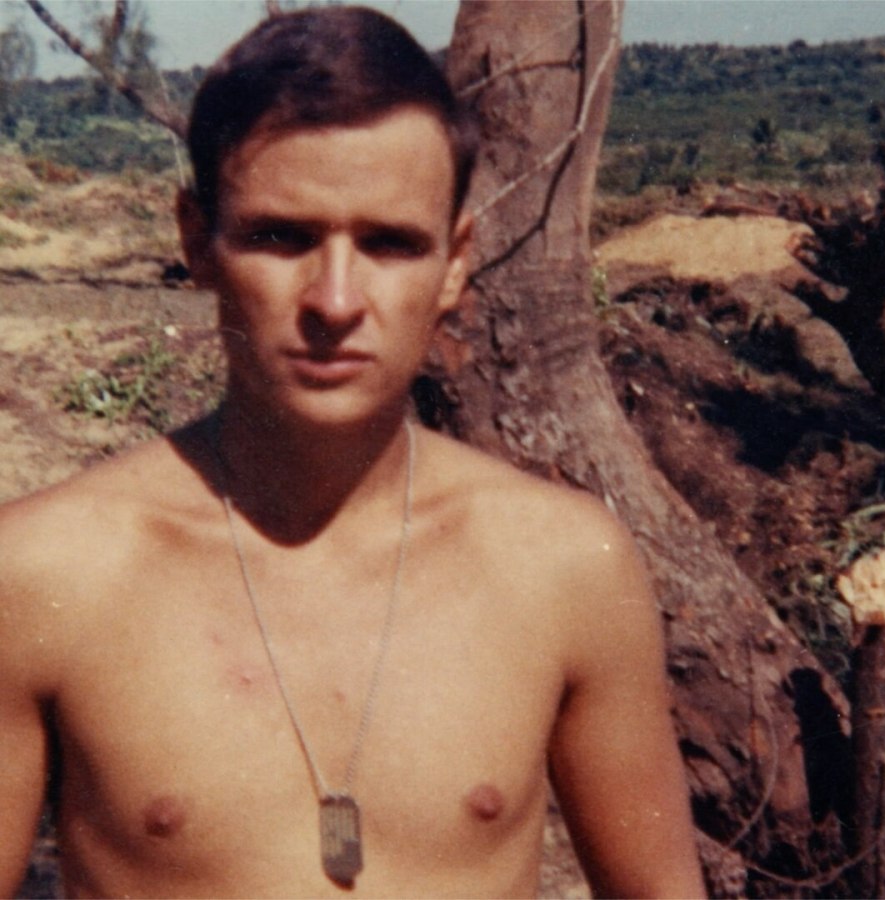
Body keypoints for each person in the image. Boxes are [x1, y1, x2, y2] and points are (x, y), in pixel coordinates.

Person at [0, 7, 704, 898]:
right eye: (281, 236)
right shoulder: (44, 573)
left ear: (455, 263)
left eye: (389, 244)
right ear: (196, 241)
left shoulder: (565, 568)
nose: (334, 300)